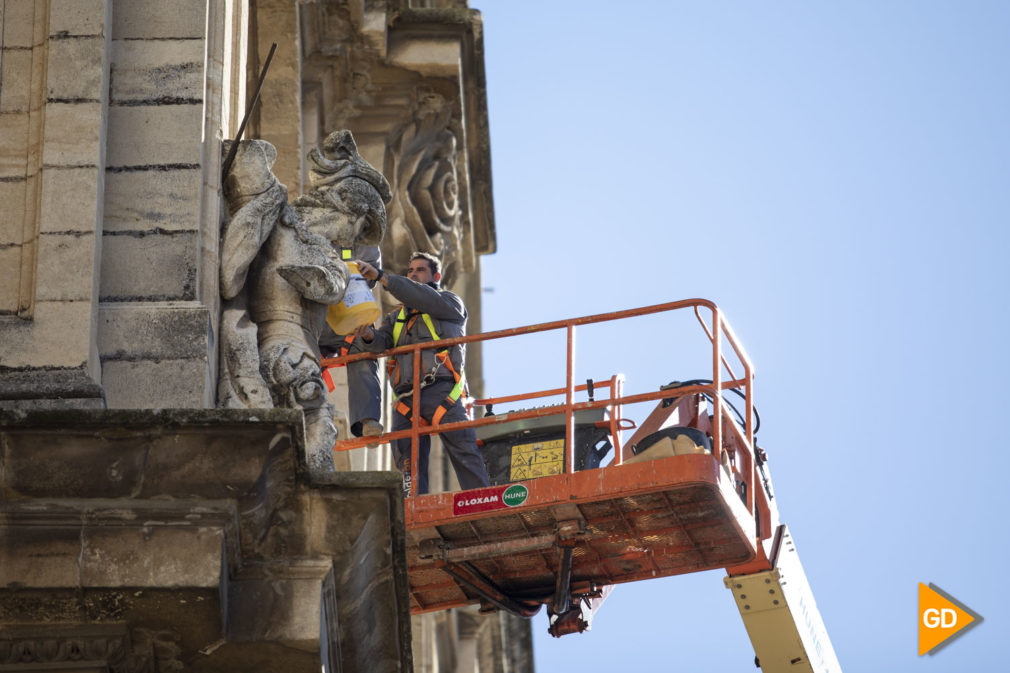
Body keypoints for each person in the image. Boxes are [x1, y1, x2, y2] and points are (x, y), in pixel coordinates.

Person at [354, 252, 490, 495]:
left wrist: (384, 277)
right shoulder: (397, 318)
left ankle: (482, 499)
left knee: (464, 450)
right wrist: (369, 336)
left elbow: (424, 298)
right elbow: (382, 342)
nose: (414, 274)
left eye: (420, 270)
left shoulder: (449, 303)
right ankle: (412, 508)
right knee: (407, 462)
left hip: (443, 392)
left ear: (436, 276)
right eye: (410, 271)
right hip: (407, 399)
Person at [319, 243, 383, 444]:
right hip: (314, 315)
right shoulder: (312, 225)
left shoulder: (364, 241)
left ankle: (367, 421)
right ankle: (306, 409)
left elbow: (371, 278)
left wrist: (366, 271)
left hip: (348, 315)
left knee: (364, 347)